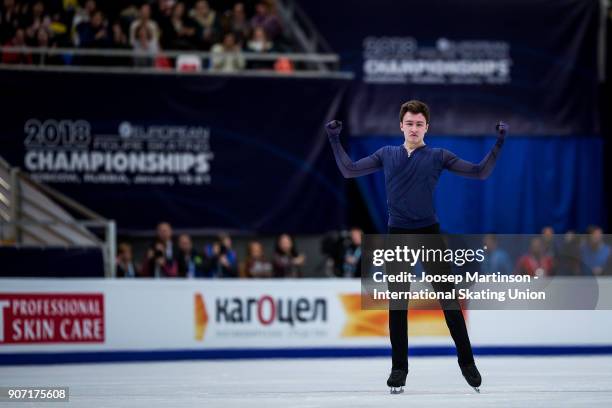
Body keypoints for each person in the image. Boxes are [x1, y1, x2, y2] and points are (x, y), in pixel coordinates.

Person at [325, 100, 507, 393]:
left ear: (427, 127)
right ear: (401, 126)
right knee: (398, 307)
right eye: (409, 123)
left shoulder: (438, 156)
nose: (413, 128)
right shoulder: (387, 154)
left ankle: (467, 362)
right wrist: (334, 138)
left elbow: (479, 172)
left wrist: (499, 142)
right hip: (397, 235)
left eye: (419, 124)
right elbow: (349, 170)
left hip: (429, 234)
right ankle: (399, 369)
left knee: (449, 303)